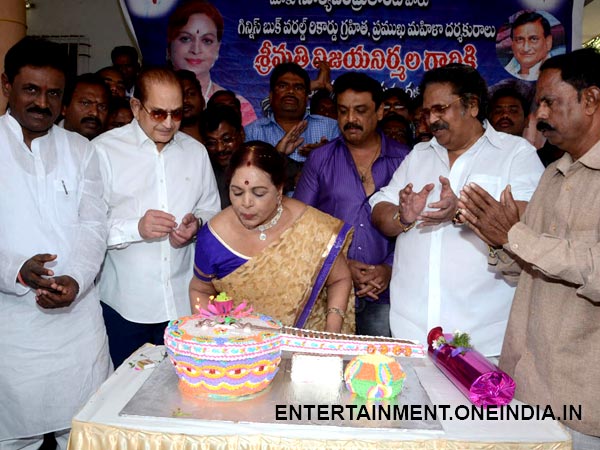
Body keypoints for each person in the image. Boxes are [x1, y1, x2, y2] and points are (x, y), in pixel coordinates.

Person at [458, 48, 600, 449]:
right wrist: (495, 238)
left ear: (589, 100)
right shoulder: (554, 174)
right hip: (529, 383)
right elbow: (530, 271)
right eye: (539, 104)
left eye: (550, 102)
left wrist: (513, 236)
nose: (539, 115)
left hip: (584, 398)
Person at [370, 63, 544, 356]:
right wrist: (403, 216)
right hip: (411, 334)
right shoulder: (419, 155)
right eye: (427, 112)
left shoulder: (515, 153)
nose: (432, 119)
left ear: (472, 105)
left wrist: (461, 212)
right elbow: (379, 209)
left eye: (441, 109)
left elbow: (532, 215)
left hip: (484, 340)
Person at [0, 37, 111, 449]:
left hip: (75, 325)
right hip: (11, 328)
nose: (42, 103)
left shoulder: (81, 150)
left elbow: (94, 225)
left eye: (53, 94)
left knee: (84, 434)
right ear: (6, 85)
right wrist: (15, 268)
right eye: (31, 89)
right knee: (12, 437)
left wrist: (77, 279)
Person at [94, 67, 221, 367]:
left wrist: (197, 225)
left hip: (182, 302)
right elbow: (88, 228)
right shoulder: (103, 151)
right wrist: (136, 228)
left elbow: (211, 210)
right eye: (158, 113)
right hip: (124, 305)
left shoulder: (196, 152)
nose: (168, 123)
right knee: (122, 396)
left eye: (176, 114)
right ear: (136, 106)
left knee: (182, 394)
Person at [190, 141, 355, 334]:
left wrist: (330, 333)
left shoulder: (312, 226)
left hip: (308, 345)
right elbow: (200, 289)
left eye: (259, 193)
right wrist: (210, 335)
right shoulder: (214, 237)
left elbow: (340, 279)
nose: (246, 203)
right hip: (243, 349)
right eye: (237, 192)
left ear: (279, 190)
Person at [295, 72, 409, 337]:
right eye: (343, 111)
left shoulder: (406, 159)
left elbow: (413, 224)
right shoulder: (320, 159)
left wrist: (389, 268)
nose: (350, 120)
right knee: (329, 370)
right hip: (332, 289)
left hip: (389, 292)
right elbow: (302, 224)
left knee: (382, 371)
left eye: (360, 111)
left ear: (380, 112)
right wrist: (340, 262)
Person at [166, 0, 257, 126]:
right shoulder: (153, 101)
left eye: (207, 41)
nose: (196, 49)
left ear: (218, 49)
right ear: (169, 46)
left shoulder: (238, 105)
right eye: (185, 38)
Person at [245, 62, 339, 171]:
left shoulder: (331, 127)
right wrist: (276, 155)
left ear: (306, 97)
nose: (290, 91)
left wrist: (329, 154)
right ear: (270, 96)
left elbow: (350, 170)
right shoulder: (252, 132)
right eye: (283, 86)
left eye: (298, 87)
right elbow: (246, 175)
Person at [201, 104, 245, 209]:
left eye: (226, 139)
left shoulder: (259, 164)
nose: (220, 148)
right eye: (211, 143)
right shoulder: (202, 173)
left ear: (242, 134)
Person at [505, 11, 553, 81]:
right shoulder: (507, 71)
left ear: (548, 42)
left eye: (533, 39)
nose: (526, 48)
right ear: (512, 44)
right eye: (519, 39)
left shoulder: (556, 76)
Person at [61, 72, 111, 140]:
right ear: (64, 108)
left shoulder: (111, 145)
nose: (95, 113)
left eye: (102, 107)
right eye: (85, 103)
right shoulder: (45, 141)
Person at [176, 69, 204, 141]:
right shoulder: (165, 139)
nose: (185, 100)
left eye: (191, 93)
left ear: (203, 100)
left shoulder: (216, 138)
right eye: (180, 95)